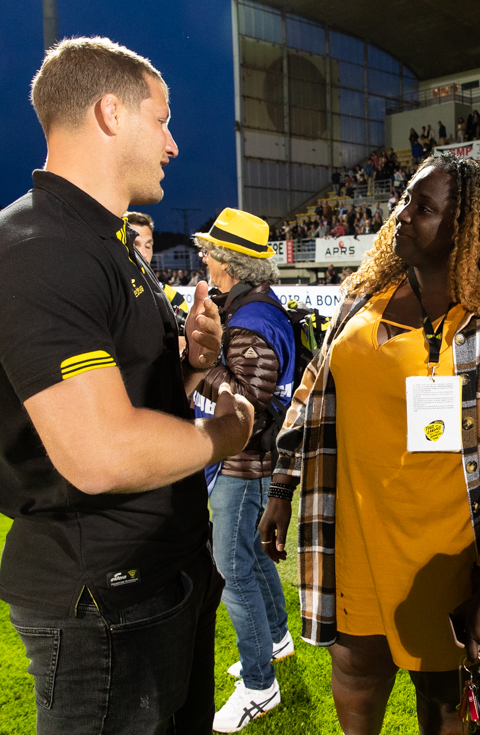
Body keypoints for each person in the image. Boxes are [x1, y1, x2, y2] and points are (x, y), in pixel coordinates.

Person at [0, 37, 256, 735]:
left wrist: (191, 367)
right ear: (111, 113)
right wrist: (226, 432)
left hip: (152, 577)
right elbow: (102, 454)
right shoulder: (42, 249)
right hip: (107, 596)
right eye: (163, 118)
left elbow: (126, 401)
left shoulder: (100, 240)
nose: (174, 143)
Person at [257, 153, 480, 734]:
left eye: (423, 207)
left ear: (467, 229)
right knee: (354, 677)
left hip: (447, 564)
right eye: (405, 200)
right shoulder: (362, 298)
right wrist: (281, 486)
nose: (400, 214)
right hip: (354, 543)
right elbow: (312, 394)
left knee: (446, 704)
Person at [189, 209, 295, 732]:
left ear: (228, 263)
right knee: (250, 560)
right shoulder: (255, 311)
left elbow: (246, 412)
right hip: (248, 464)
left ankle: (259, 685)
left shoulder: (251, 322)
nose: (204, 257)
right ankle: (275, 638)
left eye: (210, 251)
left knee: (233, 574)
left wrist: (198, 367)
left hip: (245, 464)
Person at [125, 210, 190, 330]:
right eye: (135, 245)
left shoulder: (173, 298)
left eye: (148, 246)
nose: (143, 254)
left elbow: (182, 343)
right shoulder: (105, 292)